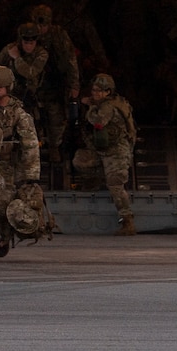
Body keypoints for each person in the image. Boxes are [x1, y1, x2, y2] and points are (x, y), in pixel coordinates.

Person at [0, 22, 70, 185]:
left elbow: (30, 72)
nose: (29, 45)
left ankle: (53, 148)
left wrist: (17, 58)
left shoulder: (41, 54)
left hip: (40, 94)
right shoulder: (9, 49)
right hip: (14, 94)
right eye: (26, 42)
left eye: (32, 42)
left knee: (53, 119)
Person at [0, 64, 41, 259]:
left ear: (9, 87)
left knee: (0, 203)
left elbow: (30, 145)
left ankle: (4, 236)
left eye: (1, 87)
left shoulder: (18, 114)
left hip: (4, 167)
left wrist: (30, 178)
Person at [70, 72, 137, 235]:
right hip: (102, 150)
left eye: (100, 91)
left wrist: (90, 107)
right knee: (80, 160)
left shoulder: (107, 106)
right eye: (94, 90)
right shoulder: (110, 102)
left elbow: (98, 122)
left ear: (108, 92)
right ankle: (96, 178)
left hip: (116, 153)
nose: (96, 94)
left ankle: (127, 221)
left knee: (115, 185)